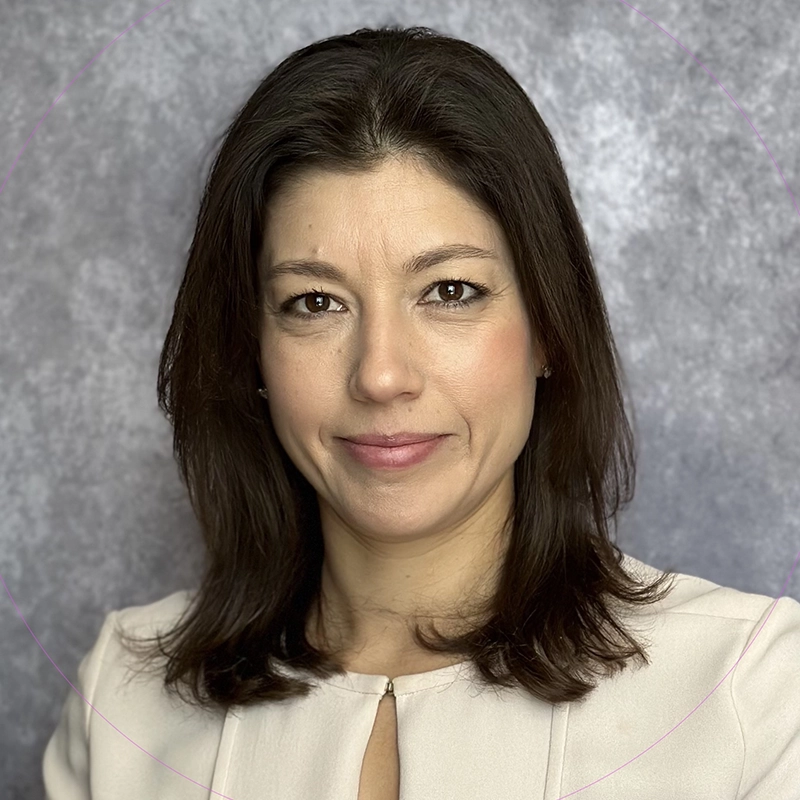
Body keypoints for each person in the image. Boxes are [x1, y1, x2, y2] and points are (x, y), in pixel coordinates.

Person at [42, 24, 800, 800]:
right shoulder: (123, 707)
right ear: (251, 350)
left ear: (548, 327)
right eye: (315, 302)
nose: (381, 375)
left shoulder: (754, 696)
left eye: (449, 292)